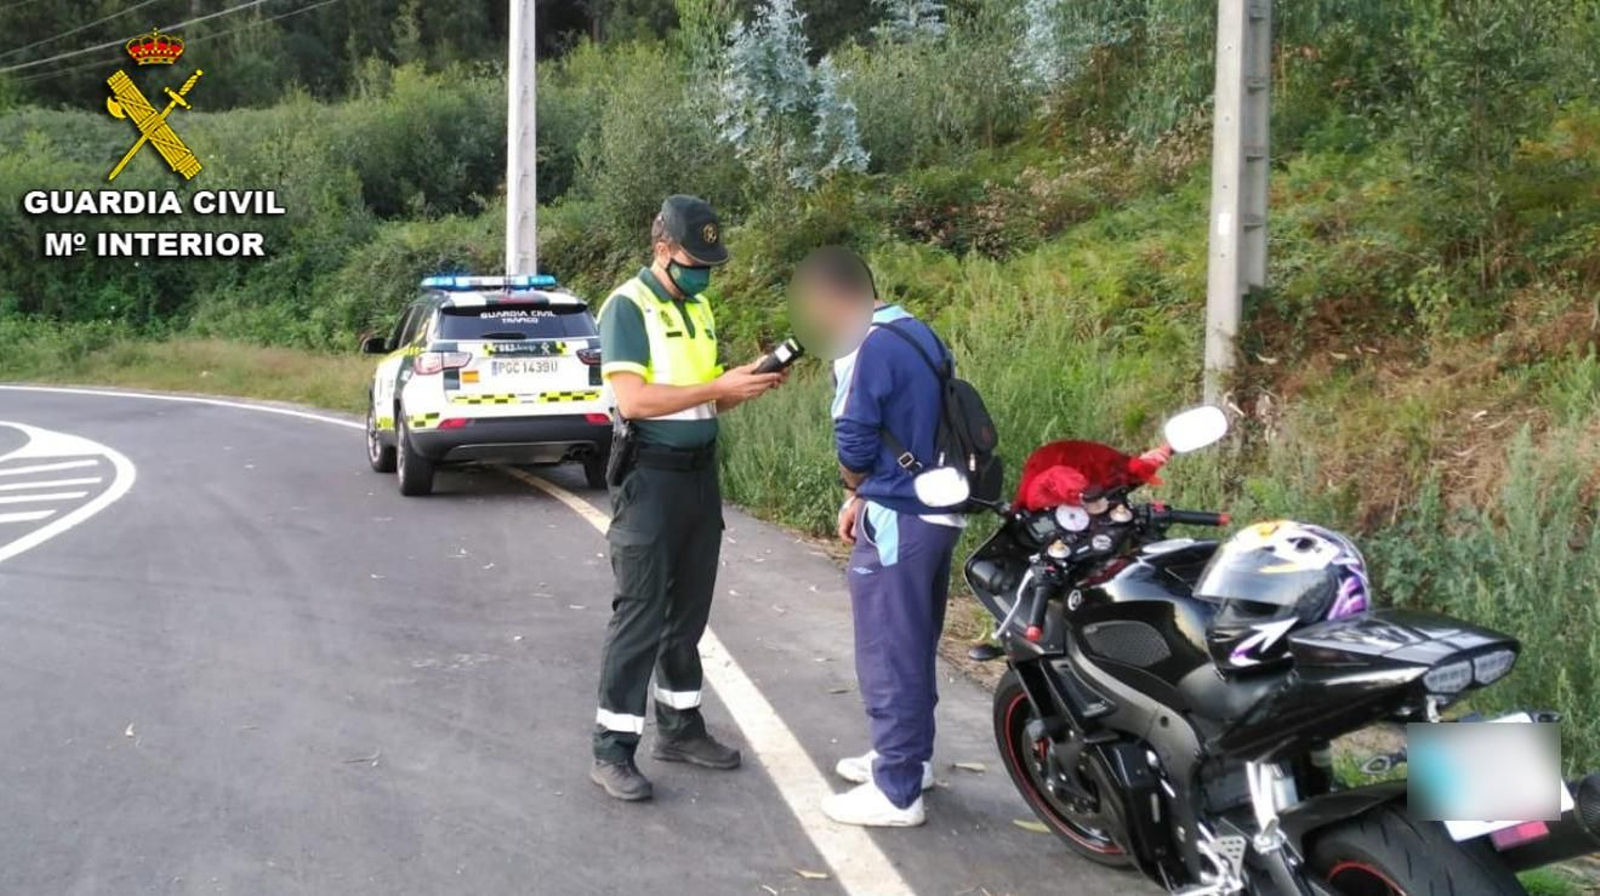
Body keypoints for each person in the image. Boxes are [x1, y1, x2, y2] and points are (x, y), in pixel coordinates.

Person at [589, 195, 784, 801]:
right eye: (694, 260)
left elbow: (703, 397)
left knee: (688, 613)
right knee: (642, 612)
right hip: (650, 477)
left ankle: (679, 728)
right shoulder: (628, 305)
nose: (703, 273)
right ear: (662, 249)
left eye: (710, 262)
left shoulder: (698, 308)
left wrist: (739, 387)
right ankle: (612, 749)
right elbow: (636, 401)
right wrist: (716, 385)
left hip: (699, 475)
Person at [793, 246, 964, 827]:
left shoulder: (865, 345)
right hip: (935, 508)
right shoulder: (915, 331)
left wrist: (857, 485)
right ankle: (909, 761)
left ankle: (896, 791)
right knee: (912, 641)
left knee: (888, 648)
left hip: (901, 514)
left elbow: (856, 444)